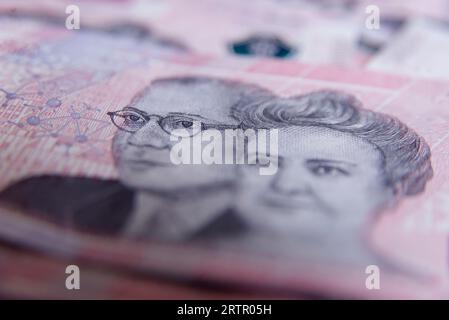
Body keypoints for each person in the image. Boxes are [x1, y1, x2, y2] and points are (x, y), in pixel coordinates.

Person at [0, 76, 274, 239]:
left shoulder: (269, 238)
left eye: (184, 125)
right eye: (134, 119)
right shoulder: (41, 195)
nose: (139, 139)